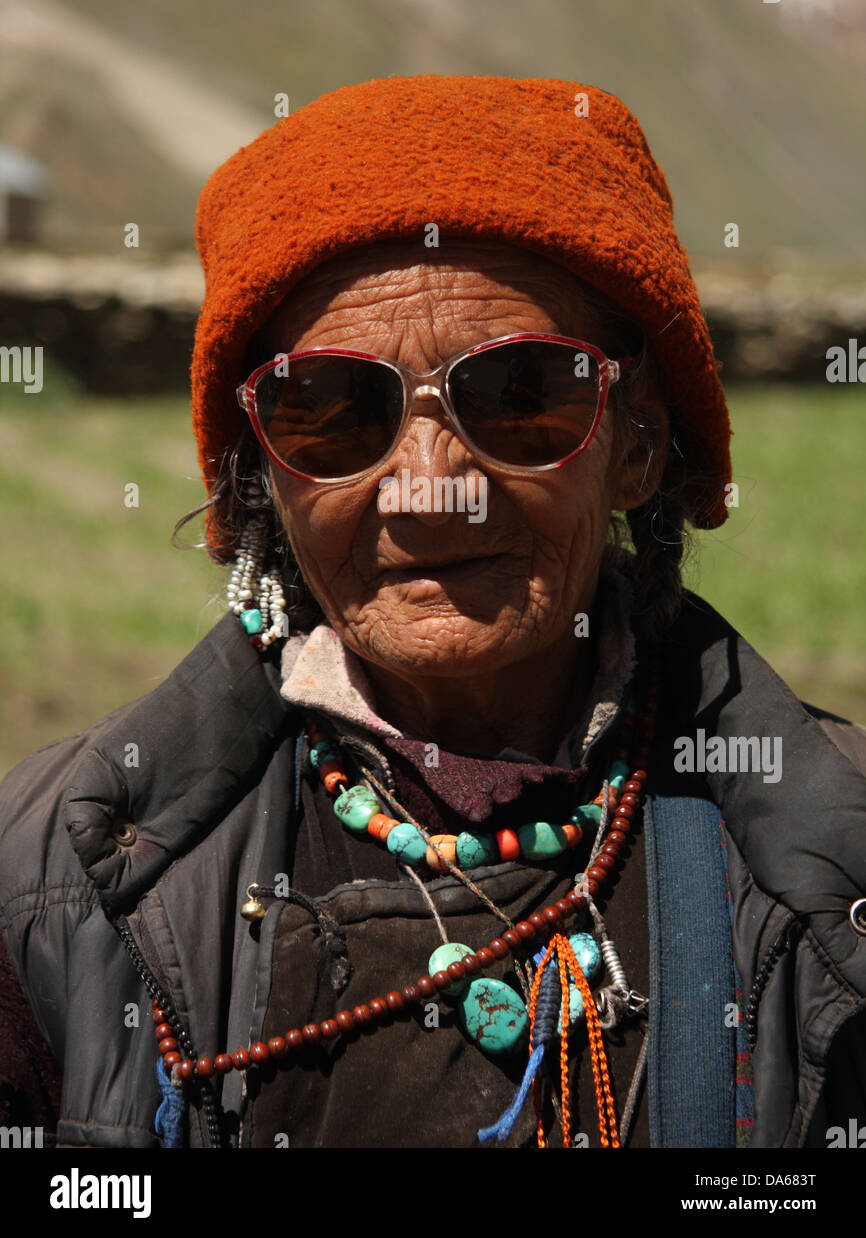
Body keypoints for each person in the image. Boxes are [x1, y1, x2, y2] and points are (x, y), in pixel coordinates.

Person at [1, 75, 864, 1150]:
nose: (427, 482)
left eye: (519, 394)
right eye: (329, 410)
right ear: (259, 474)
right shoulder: (48, 882)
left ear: (636, 442)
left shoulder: (833, 873)